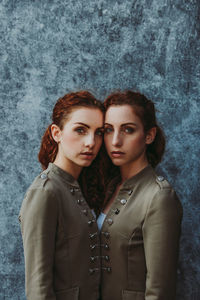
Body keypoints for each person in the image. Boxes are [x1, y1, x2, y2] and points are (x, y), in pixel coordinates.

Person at [19, 91, 105, 300]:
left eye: (99, 132)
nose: (91, 142)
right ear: (57, 133)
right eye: (80, 130)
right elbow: (39, 288)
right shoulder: (45, 192)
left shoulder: (74, 186)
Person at [98, 91, 182, 300]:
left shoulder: (159, 197)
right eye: (109, 130)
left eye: (128, 129)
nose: (115, 141)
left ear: (149, 135)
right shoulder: (107, 187)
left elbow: (160, 291)